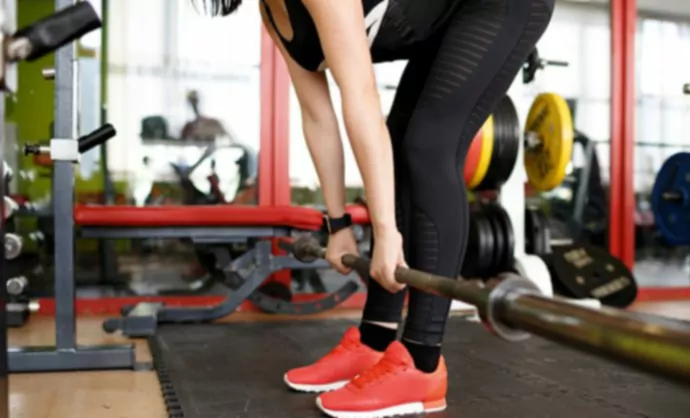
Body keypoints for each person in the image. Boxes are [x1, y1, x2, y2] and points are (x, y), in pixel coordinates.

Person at [196, 0, 555, 416]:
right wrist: (337, 224)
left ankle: (422, 364)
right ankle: (376, 342)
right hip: (449, 16)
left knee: (428, 147)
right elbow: (317, 116)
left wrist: (386, 233)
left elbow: (360, 97)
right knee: (401, 144)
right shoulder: (272, 13)